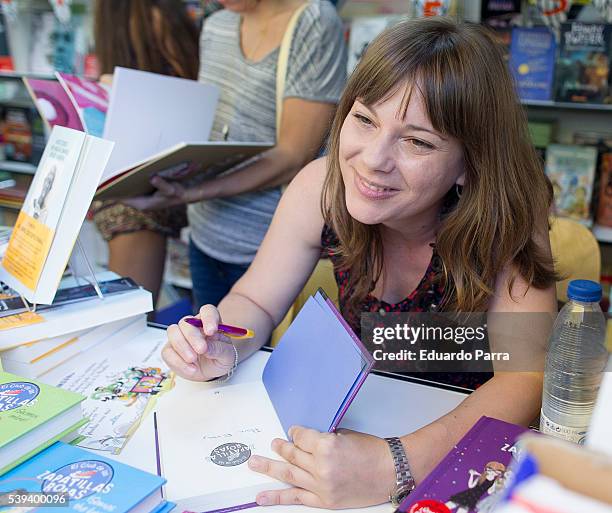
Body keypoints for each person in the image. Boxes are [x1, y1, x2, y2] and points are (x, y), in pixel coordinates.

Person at [161, 17, 557, 509]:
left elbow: (525, 378)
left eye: (417, 141)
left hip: (461, 450)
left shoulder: (508, 216)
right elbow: (255, 299)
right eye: (365, 119)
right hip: (355, 420)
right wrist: (222, 343)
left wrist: (393, 464)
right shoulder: (321, 186)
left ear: (468, 164)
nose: (373, 160)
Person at [126, 0, 347, 309]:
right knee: (207, 345)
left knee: (255, 350)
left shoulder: (313, 22)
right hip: (205, 235)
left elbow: (293, 155)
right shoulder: (218, 24)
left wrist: (193, 191)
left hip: (270, 247)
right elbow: (210, 125)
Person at [91, 0, 200, 306]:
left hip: (121, 174)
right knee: (132, 311)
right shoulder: (158, 15)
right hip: (154, 175)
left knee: (128, 305)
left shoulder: (112, 16)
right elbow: (192, 80)